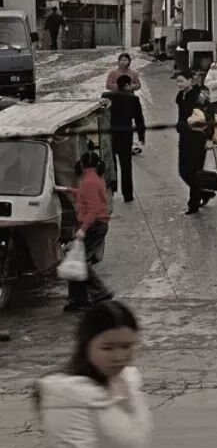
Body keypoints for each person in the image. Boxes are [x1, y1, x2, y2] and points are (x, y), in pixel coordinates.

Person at [35, 300, 154, 448]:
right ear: (86, 345)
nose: (119, 356)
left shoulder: (128, 383)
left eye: (127, 346)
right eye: (107, 348)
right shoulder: (66, 395)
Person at [56, 153, 112, 312]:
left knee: (81, 262)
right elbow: (84, 196)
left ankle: (100, 292)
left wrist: (83, 229)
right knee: (76, 261)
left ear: (83, 164)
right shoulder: (93, 178)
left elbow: (93, 209)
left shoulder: (89, 181)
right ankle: (78, 299)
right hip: (96, 224)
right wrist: (66, 189)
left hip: (94, 225)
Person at [175, 72, 215, 215]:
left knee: (195, 171)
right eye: (177, 81)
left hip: (199, 137)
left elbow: (210, 117)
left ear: (190, 80)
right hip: (185, 137)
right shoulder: (181, 96)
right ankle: (204, 192)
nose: (179, 84)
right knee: (183, 170)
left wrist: (210, 138)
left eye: (181, 81)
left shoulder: (200, 97)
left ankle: (193, 204)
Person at [105, 73, 146, 204]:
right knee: (126, 166)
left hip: (109, 134)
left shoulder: (107, 96)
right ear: (127, 85)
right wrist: (141, 136)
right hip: (125, 135)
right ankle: (127, 195)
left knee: (110, 163)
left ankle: (111, 189)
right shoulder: (133, 99)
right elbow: (139, 119)